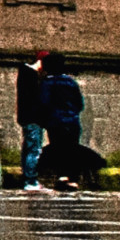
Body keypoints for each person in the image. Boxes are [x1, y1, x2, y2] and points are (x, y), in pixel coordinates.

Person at [41, 60, 92, 189]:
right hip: (72, 121)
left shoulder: (48, 82)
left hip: (56, 121)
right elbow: (80, 104)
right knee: (72, 149)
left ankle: (62, 176)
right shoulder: (71, 82)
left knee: (58, 148)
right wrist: (72, 113)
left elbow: (44, 102)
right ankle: (73, 179)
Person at [16, 54, 52, 184]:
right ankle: (30, 180)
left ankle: (27, 178)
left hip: (27, 118)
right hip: (33, 118)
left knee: (28, 148)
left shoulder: (25, 74)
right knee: (34, 150)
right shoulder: (31, 76)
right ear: (40, 61)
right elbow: (36, 101)